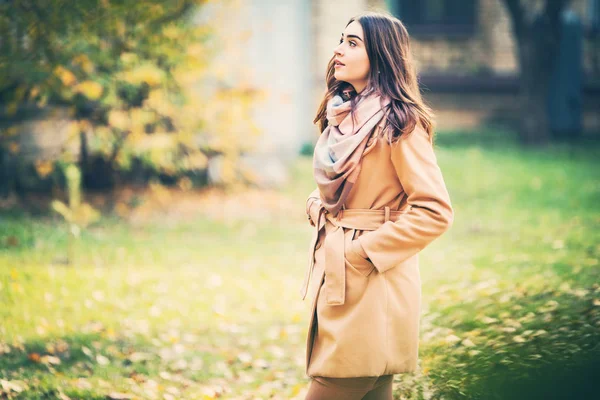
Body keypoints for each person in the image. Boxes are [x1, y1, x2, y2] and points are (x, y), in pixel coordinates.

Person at [299, 11, 455, 400]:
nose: (338, 50)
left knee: (338, 382)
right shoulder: (343, 116)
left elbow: (434, 211)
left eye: (353, 43)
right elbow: (361, 190)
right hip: (342, 274)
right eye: (341, 40)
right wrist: (321, 206)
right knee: (371, 386)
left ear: (382, 55)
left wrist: (362, 252)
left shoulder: (399, 123)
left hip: (372, 279)